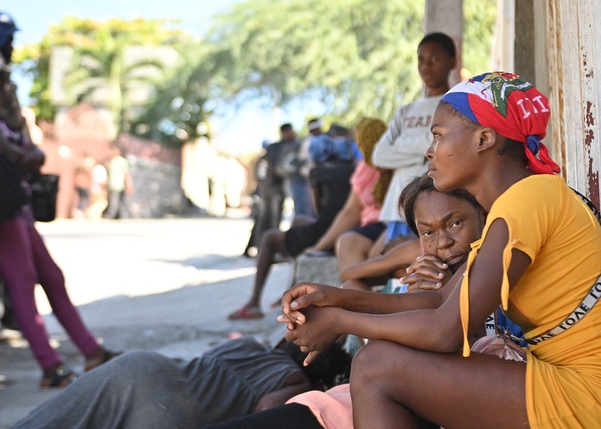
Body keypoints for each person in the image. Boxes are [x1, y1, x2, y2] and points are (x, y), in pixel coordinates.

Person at [278, 72, 601, 428]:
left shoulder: (527, 200)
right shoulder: (519, 202)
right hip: (583, 382)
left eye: (438, 137)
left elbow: (444, 331)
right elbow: (438, 301)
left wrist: (341, 322)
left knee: (376, 366)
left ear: (484, 138)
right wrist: (337, 300)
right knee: (379, 362)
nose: (429, 151)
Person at [205, 174, 490, 429]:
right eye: (428, 232)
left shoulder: (494, 262)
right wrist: (335, 301)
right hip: (365, 401)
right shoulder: (426, 279)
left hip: (424, 402)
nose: (443, 243)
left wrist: (339, 316)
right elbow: (366, 289)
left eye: (455, 223)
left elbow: (449, 334)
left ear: (483, 215)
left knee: (371, 360)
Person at [0, 12, 119, 387]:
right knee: (23, 279)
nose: (3, 77)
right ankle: (50, 366)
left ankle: (92, 352)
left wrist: (28, 153)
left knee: (51, 276)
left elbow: (18, 141)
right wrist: (22, 156)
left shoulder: (1, 107)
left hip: (16, 203)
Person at [11, 336, 352, 429]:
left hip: (143, 367)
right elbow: (266, 411)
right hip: (177, 412)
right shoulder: (295, 381)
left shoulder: (249, 343)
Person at [229, 135, 355, 320]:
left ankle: (254, 303)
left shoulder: (317, 171)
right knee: (297, 223)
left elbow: (318, 211)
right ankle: (289, 294)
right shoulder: (350, 169)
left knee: (270, 238)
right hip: (343, 230)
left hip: (328, 233)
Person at [372, 32, 457, 249]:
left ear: (452, 61)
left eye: (435, 59)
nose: (426, 67)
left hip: (435, 203)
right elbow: (379, 155)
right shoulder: (406, 111)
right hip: (398, 206)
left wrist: (400, 145)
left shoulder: (455, 104)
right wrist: (426, 144)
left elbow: (449, 147)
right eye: (421, 60)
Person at [302, 118, 393, 273]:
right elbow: (350, 212)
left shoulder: (387, 164)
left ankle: (355, 293)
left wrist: (320, 245)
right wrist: (320, 246)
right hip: (377, 227)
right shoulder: (364, 167)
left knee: (348, 242)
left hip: (390, 224)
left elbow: (350, 212)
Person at [244, 124, 297, 257]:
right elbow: (279, 169)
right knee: (272, 221)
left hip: (266, 190)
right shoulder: (278, 148)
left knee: (263, 220)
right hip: (274, 190)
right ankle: (268, 251)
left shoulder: (269, 152)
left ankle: (259, 249)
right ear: (286, 132)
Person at [284, 118, 324, 218]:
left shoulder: (316, 140)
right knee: (309, 207)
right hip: (308, 178)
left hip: (314, 177)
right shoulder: (309, 142)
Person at [103, 146, 133, 219]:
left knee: (115, 200)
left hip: (118, 184)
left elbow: (126, 174)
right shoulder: (111, 161)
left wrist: (129, 184)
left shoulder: (122, 161)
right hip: (112, 184)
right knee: (117, 201)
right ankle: (123, 216)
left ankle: (110, 215)